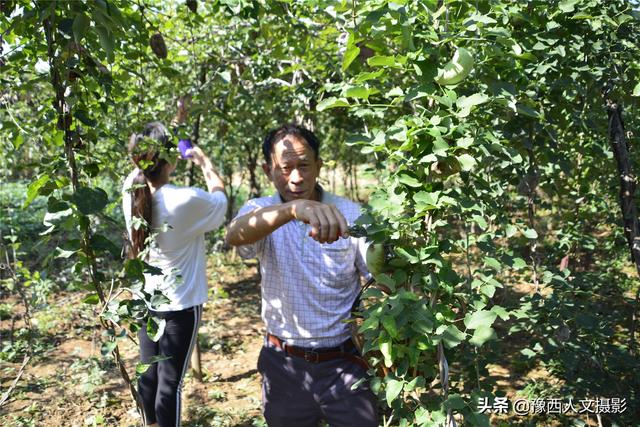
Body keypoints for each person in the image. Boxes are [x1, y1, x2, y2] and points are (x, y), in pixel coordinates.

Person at [225, 124, 378, 427]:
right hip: (284, 366)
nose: (296, 178)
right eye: (285, 168)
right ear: (269, 170)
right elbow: (234, 235)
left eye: (304, 166)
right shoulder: (260, 211)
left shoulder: (352, 214)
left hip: (345, 363)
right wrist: (293, 210)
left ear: (319, 166)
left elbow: (382, 277)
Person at [122, 99, 227, 427]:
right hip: (180, 305)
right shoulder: (186, 200)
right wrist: (206, 163)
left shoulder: (131, 189)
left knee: (149, 375)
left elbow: (151, 153)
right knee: (172, 383)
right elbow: (221, 200)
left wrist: (176, 123)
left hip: (146, 299)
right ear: (168, 160)